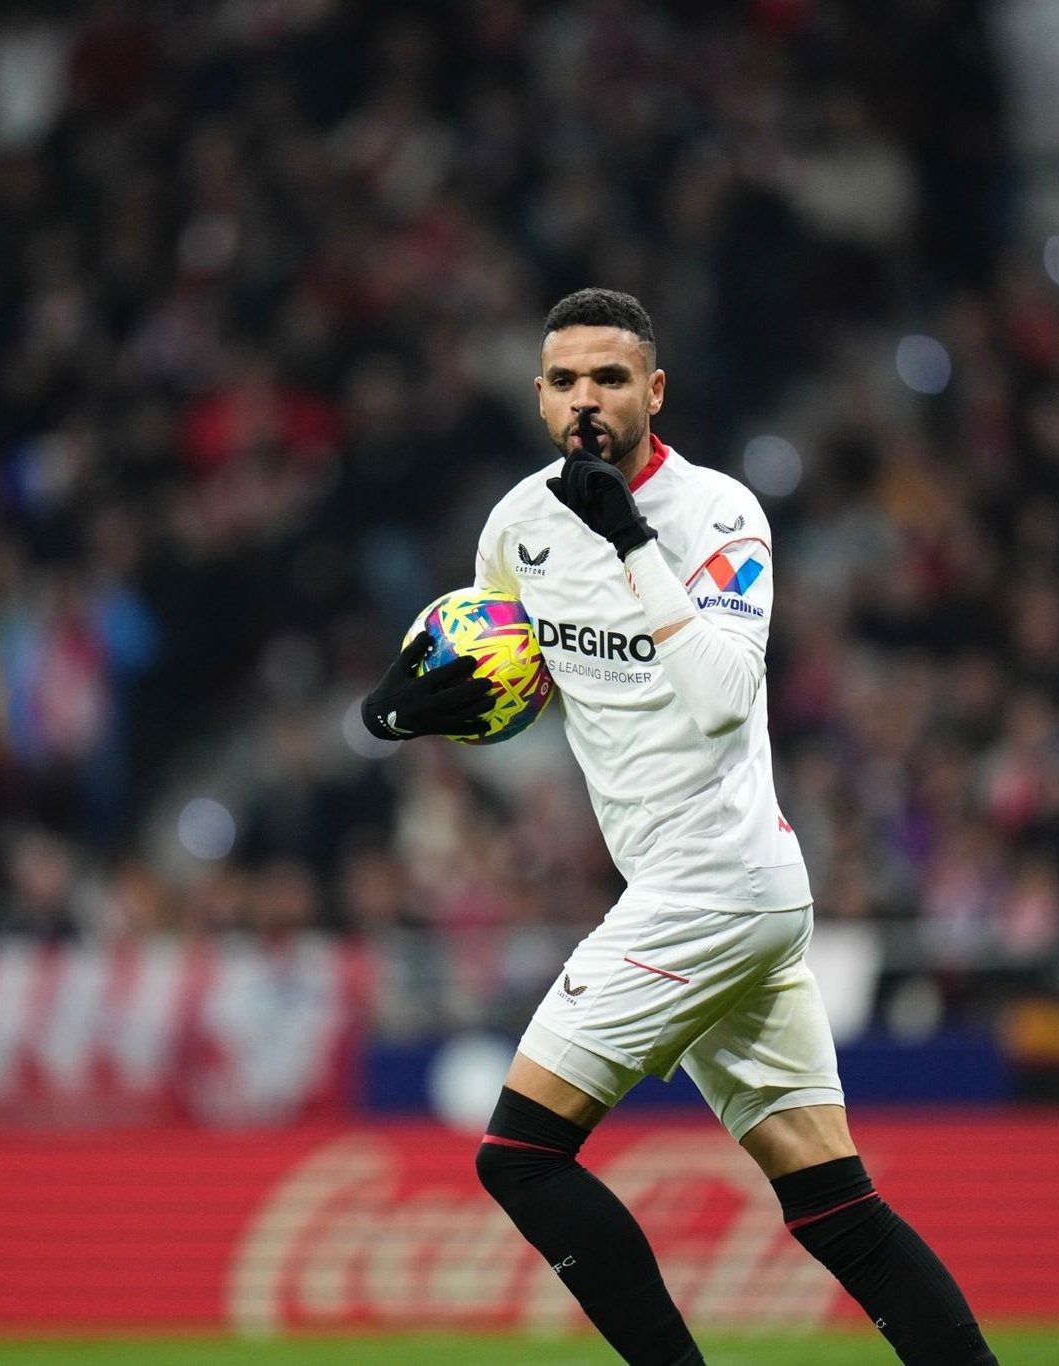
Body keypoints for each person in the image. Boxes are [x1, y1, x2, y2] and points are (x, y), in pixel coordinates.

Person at [363, 288, 998, 1366]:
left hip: (715, 881)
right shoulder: (517, 527)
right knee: (834, 1204)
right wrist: (413, 707)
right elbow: (507, 676)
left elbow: (719, 698)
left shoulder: (719, 514)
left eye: (610, 378)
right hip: (705, 889)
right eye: (565, 380)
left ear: (653, 392)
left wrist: (629, 537)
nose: (587, 400)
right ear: (539, 397)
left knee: (519, 1154)